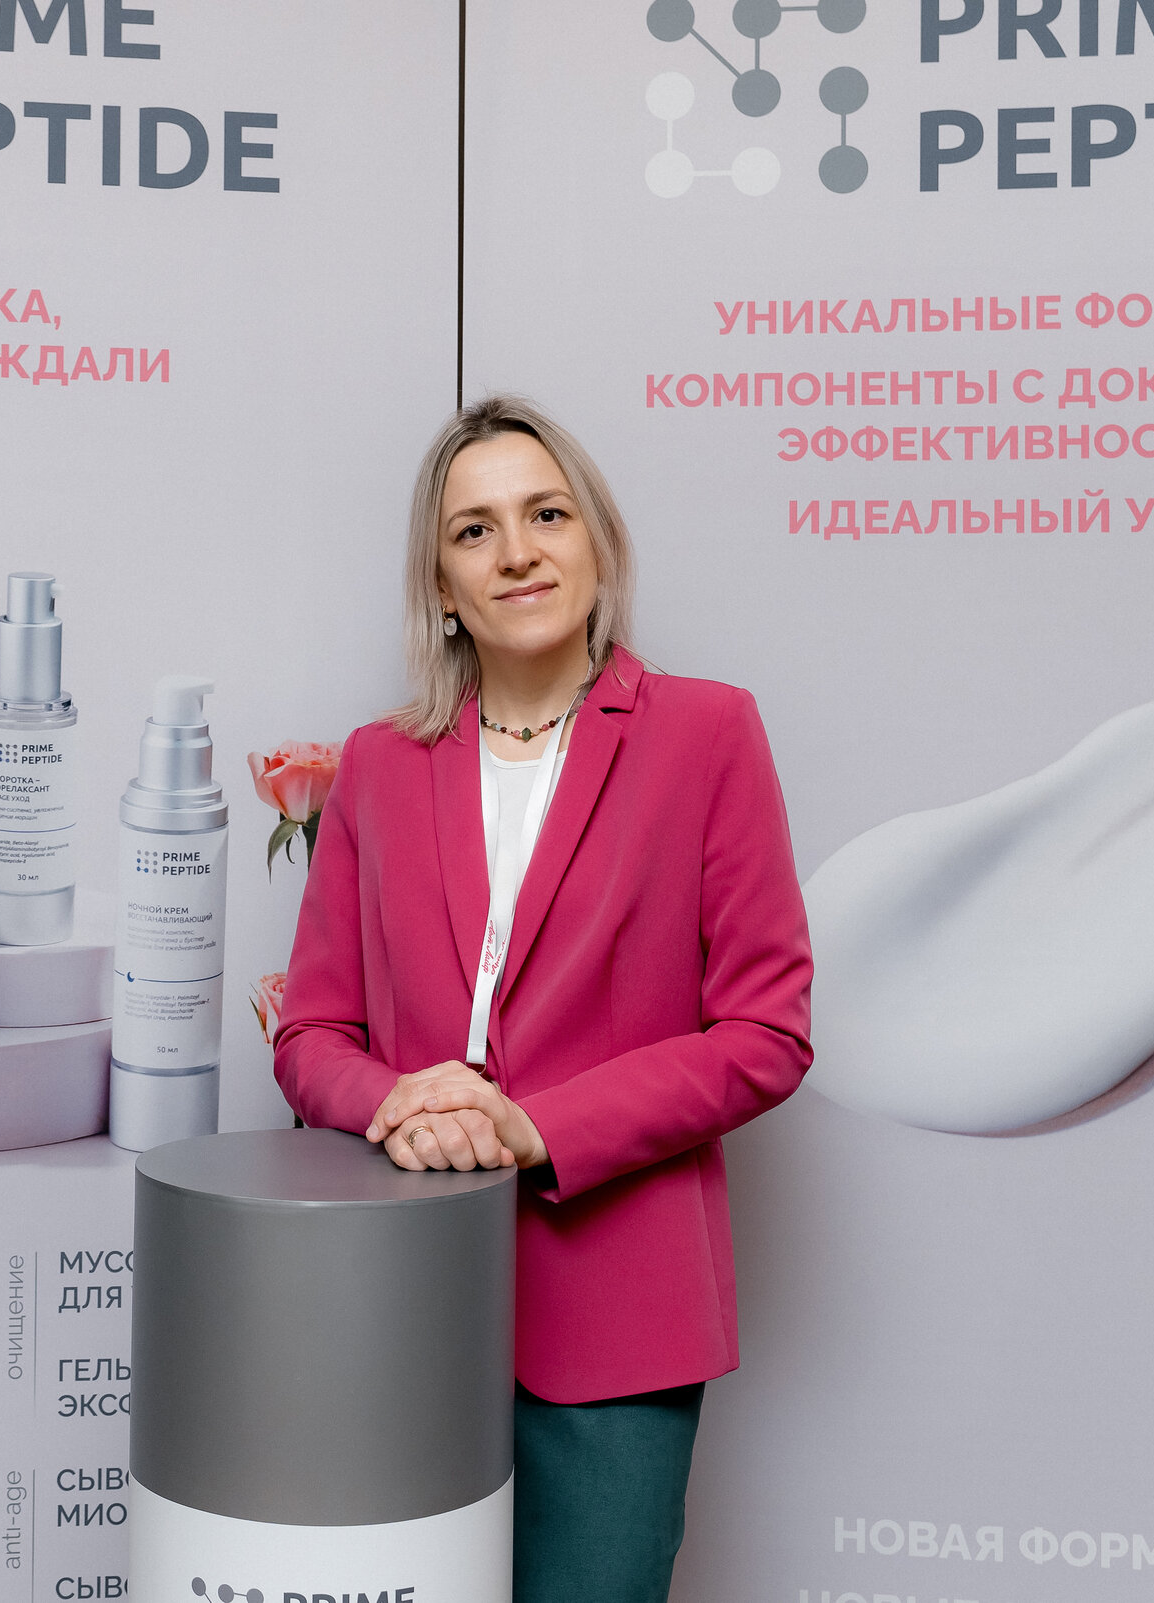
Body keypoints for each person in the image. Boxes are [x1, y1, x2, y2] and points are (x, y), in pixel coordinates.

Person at [270, 394, 814, 1603]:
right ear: (441, 584)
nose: (516, 552)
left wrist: (536, 1127)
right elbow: (312, 1034)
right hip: (394, 1304)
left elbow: (764, 1033)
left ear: (595, 542)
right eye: (474, 531)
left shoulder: (708, 734)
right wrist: (397, 1100)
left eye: (546, 514)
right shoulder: (379, 763)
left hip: (620, 1311)